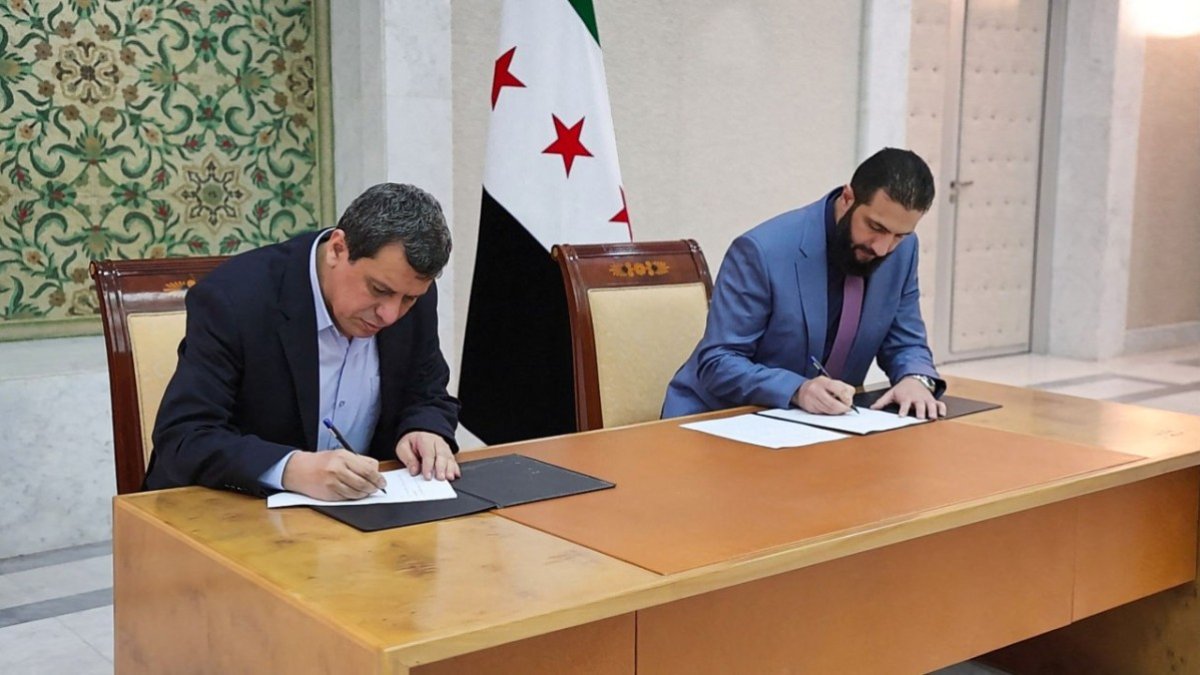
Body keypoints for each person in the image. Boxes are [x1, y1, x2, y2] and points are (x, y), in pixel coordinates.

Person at [145, 183, 461, 501]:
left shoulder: (411, 295)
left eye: (408, 299)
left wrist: (425, 429)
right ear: (338, 248)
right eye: (379, 289)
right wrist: (290, 469)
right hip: (232, 514)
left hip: (363, 518)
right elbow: (185, 436)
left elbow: (428, 392)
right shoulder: (233, 299)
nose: (390, 315)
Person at [663, 148, 947, 420]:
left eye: (900, 235)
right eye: (876, 227)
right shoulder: (762, 251)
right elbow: (718, 362)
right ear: (848, 198)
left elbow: (905, 340)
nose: (883, 248)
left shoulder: (903, 251)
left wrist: (916, 379)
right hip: (718, 418)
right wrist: (798, 389)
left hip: (818, 427)